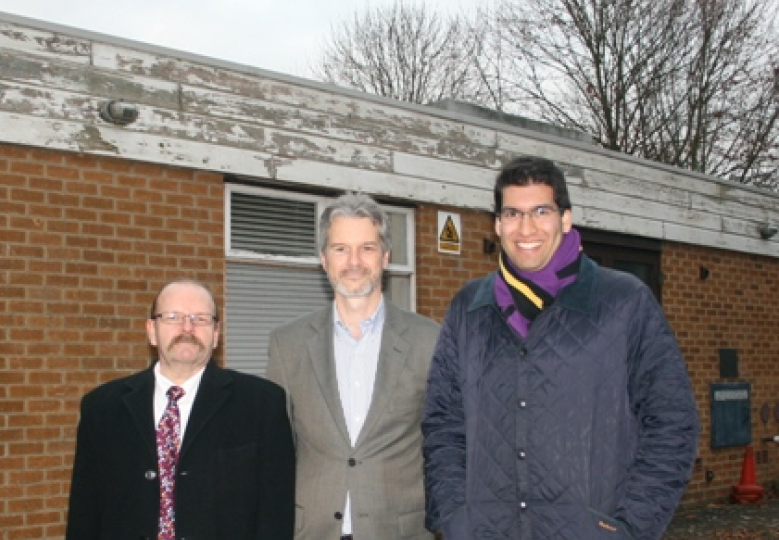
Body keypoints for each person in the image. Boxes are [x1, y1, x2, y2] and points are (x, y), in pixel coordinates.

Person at [422, 156, 699, 540]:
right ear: (498, 225)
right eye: (513, 214)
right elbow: (443, 421)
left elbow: (672, 423)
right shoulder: (469, 308)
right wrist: (453, 515)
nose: (527, 227)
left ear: (565, 219)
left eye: (541, 211)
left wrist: (631, 526)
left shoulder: (624, 301)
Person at [267, 192, 440, 540]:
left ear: (386, 257)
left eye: (367, 248)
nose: (354, 261)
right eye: (340, 248)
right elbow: (275, 452)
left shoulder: (430, 340)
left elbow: (444, 445)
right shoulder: (287, 344)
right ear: (323, 258)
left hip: (400, 532)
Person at [66, 278, 295, 540]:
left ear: (216, 333)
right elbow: (84, 514)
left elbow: (276, 516)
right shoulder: (102, 408)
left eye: (200, 319)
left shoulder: (262, 404)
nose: (187, 328)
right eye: (173, 317)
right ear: (152, 330)